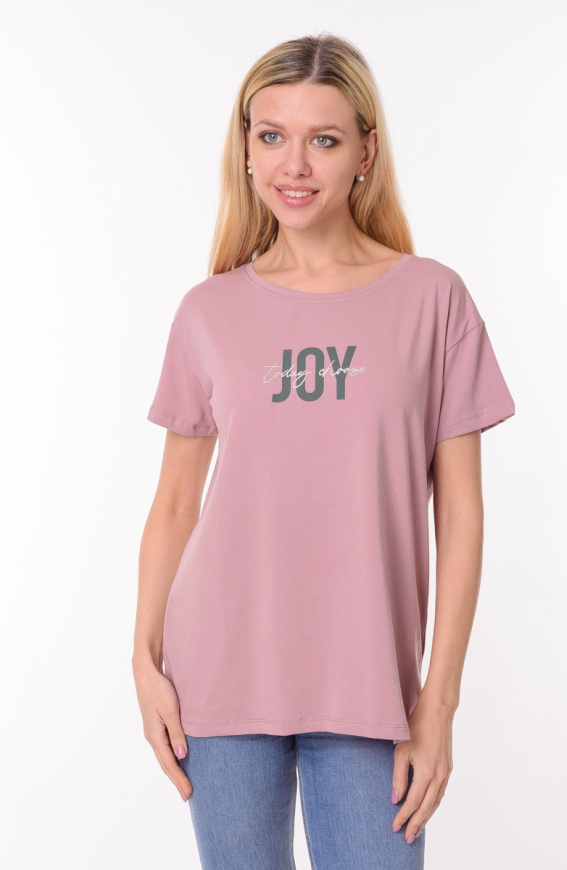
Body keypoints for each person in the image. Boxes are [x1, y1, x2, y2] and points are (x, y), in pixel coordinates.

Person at [132, 33, 516, 870]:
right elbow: (175, 504)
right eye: (272, 135)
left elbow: (461, 513)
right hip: (218, 674)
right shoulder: (208, 310)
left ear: (365, 153)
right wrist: (143, 659)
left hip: (370, 683)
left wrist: (439, 701)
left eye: (325, 139)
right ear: (245, 149)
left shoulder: (433, 300)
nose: (294, 165)